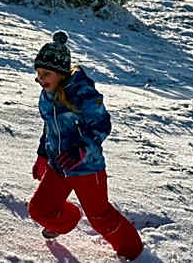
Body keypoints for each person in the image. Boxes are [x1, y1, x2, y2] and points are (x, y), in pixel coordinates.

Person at [27, 31, 144, 261]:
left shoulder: (82, 93)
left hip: (87, 167)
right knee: (39, 209)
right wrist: (42, 155)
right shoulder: (46, 95)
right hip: (58, 165)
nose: (41, 79)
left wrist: (81, 149)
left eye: (46, 73)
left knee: (100, 216)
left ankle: (134, 253)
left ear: (61, 73)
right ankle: (67, 220)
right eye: (38, 73)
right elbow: (49, 127)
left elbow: (102, 124)